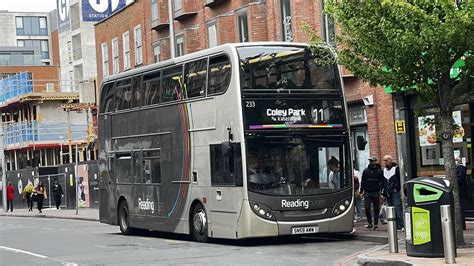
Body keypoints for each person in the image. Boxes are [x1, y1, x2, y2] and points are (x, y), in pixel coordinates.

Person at [381, 155, 404, 231]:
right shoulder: (384, 170)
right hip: (388, 192)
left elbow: (399, 179)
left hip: (394, 191)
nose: (385, 163)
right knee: (391, 208)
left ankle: (401, 224)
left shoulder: (396, 168)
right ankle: (395, 225)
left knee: (397, 207)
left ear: (390, 160)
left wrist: (397, 188)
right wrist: (383, 193)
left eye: (386, 161)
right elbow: (383, 182)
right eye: (384, 161)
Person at [361, 156, 383, 230]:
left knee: (376, 209)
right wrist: (361, 191)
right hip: (367, 192)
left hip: (376, 192)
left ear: (375, 161)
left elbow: (382, 182)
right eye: (370, 161)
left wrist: (382, 192)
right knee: (367, 208)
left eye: (373, 161)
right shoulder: (366, 171)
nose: (371, 162)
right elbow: (363, 181)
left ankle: (376, 224)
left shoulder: (379, 171)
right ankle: (370, 223)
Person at [455, 156, 468, 230]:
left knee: (461, 209)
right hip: (460, 192)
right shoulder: (459, 168)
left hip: (461, 192)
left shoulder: (461, 168)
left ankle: (462, 225)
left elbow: (460, 179)